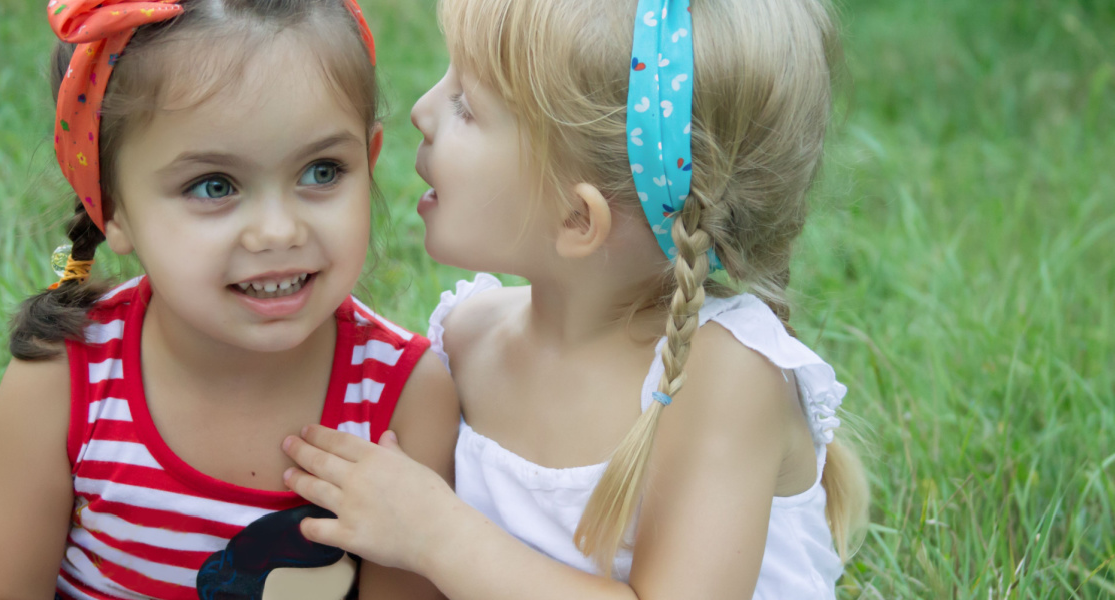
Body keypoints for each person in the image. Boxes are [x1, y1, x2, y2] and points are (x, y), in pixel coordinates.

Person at [280, 0, 871, 597]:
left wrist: (435, 533)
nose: (421, 111)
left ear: (577, 219)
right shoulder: (464, 338)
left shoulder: (718, 379)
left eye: (465, 106)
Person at [0, 1, 457, 599]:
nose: (278, 231)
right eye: (214, 186)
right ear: (111, 206)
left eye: (321, 171)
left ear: (367, 164)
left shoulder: (405, 399)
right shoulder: (66, 378)